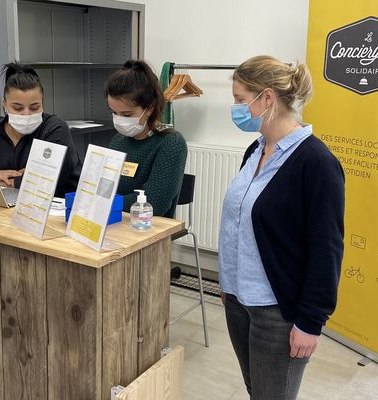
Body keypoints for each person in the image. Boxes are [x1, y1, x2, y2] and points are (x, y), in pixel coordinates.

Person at [218, 55, 345, 400]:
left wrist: (310, 322)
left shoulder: (316, 162)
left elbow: (327, 250)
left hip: (278, 311)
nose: (235, 107)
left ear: (267, 98)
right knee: (256, 390)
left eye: (240, 99)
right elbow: (242, 222)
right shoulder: (255, 150)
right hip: (238, 301)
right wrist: (228, 284)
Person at [0, 63, 82, 197]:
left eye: (34, 107)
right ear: (5, 105)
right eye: (17, 108)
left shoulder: (54, 128)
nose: (26, 114)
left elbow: (43, 182)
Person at [105, 60, 187, 217]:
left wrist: (107, 202)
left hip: (147, 230)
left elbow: (155, 203)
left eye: (127, 114)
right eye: (114, 113)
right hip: (114, 223)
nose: (119, 119)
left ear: (150, 108)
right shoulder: (118, 140)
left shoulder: (171, 143)